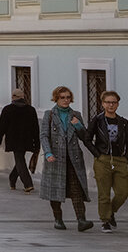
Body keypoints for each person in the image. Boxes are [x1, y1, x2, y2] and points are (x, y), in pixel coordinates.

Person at [39, 85, 94, 232]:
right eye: (62, 97)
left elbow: (85, 137)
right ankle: (58, 219)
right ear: (56, 98)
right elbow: (44, 136)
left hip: (73, 158)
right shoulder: (49, 115)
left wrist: (79, 126)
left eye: (68, 97)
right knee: (55, 190)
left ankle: (81, 220)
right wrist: (48, 153)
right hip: (55, 158)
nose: (66, 100)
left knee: (76, 189)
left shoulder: (76, 115)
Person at [87, 90, 128, 233]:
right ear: (102, 104)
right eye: (108, 102)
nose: (111, 105)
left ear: (118, 104)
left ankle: (111, 211)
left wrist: (126, 157)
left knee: (122, 193)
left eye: (113, 102)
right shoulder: (97, 120)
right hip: (103, 159)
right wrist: (97, 154)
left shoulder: (123, 122)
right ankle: (105, 221)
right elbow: (87, 139)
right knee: (104, 193)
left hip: (120, 160)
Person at [0, 87, 39, 192]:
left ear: (13, 97)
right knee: (20, 160)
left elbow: (1, 126)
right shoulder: (30, 110)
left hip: (13, 139)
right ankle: (13, 178)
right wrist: (37, 143)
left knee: (20, 160)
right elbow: (35, 127)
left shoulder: (8, 109)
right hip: (26, 139)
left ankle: (27, 184)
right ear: (23, 97)